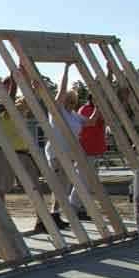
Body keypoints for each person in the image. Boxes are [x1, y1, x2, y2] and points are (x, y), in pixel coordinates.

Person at [40, 62, 100, 232]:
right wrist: (66, 69)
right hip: (56, 153)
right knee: (60, 185)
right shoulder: (56, 111)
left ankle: (55, 214)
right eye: (69, 100)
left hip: (69, 154)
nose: (71, 103)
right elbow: (61, 90)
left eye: (73, 101)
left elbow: (91, 122)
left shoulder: (74, 115)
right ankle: (53, 215)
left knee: (64, 186)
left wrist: (99, 106)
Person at [0, 76, 41, 220]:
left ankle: (41, 220)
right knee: (1, 188)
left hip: (23, 152)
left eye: (10, 85)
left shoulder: (18, 104)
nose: (10, 88)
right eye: (6, 85)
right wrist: (14, 79)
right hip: (4, 153)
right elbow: (9, 103)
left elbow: (29, 101)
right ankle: (2, 220)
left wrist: (34, 89)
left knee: (35, 187)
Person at [71, 93, 106, 219]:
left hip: (94, 150)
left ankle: (81, 208)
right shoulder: (85, 110)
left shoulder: (98, 109)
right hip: (86, 150)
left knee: (89, 183)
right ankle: (74, 207)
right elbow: (90, 124)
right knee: (83, 181)